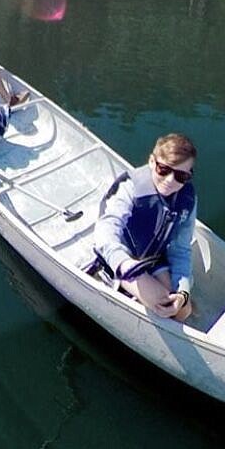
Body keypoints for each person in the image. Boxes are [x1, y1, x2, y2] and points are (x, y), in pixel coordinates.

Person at [91, 132, 198, 322]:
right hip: (124, 260)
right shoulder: (130, 187)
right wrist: (123, 263)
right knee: (162, 302)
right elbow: (107, 228)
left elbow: (181, 250)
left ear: (189, 175)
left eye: (181, 176)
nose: (170, 180)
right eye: (164, 170)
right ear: (152, 162)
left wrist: (183, 292)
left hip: (153, 259)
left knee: (182, 309)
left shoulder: (187, 198)